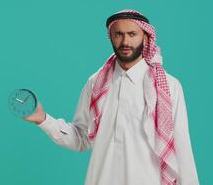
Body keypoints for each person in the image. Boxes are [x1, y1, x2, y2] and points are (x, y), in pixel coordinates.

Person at [24, 9, 199, 185]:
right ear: (111, 37)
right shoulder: (96, 83)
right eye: (118, 34)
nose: (125, 41)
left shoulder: (168, 86)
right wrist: (43, 119)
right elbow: (81, 137)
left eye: (132, 34)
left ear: (145, 37)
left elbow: (181, 148)